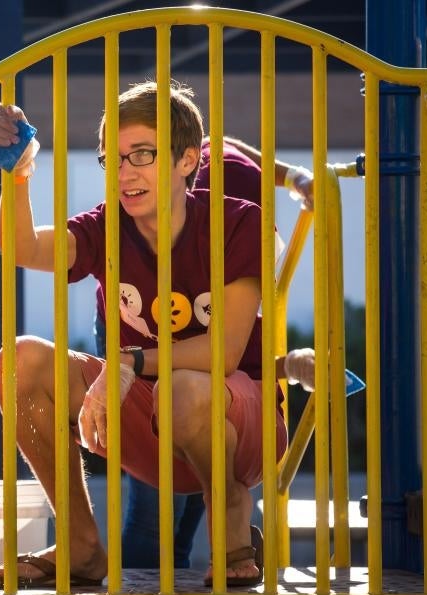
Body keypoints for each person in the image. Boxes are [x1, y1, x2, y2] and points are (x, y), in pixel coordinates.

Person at [0, 81, 289, 589]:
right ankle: (81, 545)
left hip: (238, 428)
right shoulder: (110, 227)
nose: (126, 173)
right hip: (150, 427)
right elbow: (26, 251)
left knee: (186, 387)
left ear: (188, 161)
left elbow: (224, 352)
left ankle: (231, 514)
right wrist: (16, 175)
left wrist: (125, 363)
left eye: (142, 154)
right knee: (21, 359)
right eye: (114, 159)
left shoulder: (239, 222)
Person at [107, 136, 316, 570]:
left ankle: (177, 582)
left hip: (186, 338)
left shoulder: (218, 165)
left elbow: (232, 145)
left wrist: (293, 177)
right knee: (155, 501)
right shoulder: (171, 240)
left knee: (202, 450)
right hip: (142, 325)